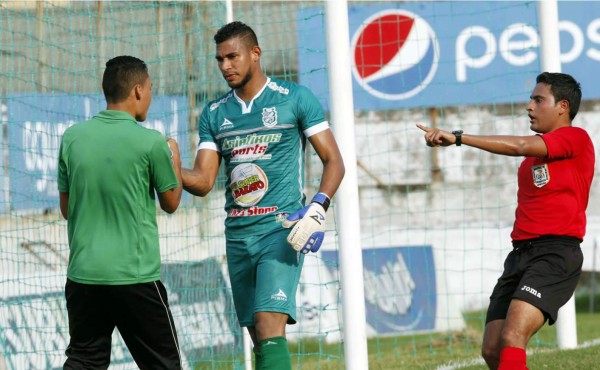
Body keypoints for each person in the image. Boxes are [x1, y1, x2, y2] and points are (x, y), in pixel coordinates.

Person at [182, 21, 345, 369]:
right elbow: (203, 180)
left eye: (232, 56)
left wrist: (318, 207)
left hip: (281, 231)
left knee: (269, 324)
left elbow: (334, 161)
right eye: (219, 60)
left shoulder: (294, 99)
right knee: (260, 337)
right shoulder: (214, 113)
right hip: (238, 237)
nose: (226, 66)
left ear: (255, 54)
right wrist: (166, 166)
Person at [418, 72, 594, 370]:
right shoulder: (533, 160)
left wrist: (458, 137)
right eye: (531, 99)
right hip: (520, 255)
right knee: (492, 349)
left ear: (563, 106)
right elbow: (524, 151)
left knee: (513, 335)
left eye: (539, 100)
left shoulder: (575, 138)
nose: (529, 106)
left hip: (555, 254)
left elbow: (519, 146)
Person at [57, 55, 184, 369]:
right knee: (164, 365)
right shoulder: (152, 142)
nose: (151, 97)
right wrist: (176, 159)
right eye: (151, 89)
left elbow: (65, 209)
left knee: (84, 361)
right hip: (134, 277)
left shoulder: (72, 138)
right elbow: (171, 203)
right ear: (138, 91)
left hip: (83, 276)